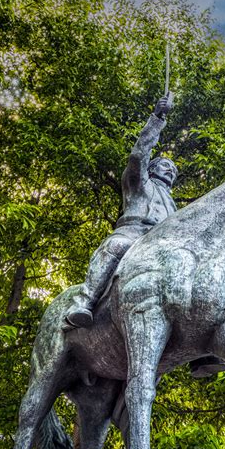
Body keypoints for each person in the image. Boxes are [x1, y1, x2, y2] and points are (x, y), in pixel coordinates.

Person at [64, 93, 177, 330]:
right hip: (132, 234)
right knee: (115, 246)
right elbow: (139, 155)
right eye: (166, 166)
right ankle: (84, 302)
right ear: (153, 168)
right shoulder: (138, 183)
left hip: (161, 245)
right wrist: (157, 118)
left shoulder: (173, 206)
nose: (171, 172)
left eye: (174, 172)